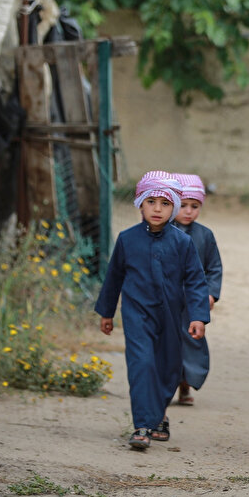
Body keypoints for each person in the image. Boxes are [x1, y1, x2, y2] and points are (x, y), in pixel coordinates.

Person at [95, 170, 210, 450]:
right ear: (140, 204)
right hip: (136, 314)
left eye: (165, 203)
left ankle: (158, 416)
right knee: (141, 364)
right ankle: (142, 425)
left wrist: (198, 316)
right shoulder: (127, 239)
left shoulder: (183, 242)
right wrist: (107, 312)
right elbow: (114, 278)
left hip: (171, 316)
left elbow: (196, 280)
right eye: (151, 202)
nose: (157, 209)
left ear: (173, 207)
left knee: (168, 367)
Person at [171, 173, 222, 407]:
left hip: (192, 302)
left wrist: (211, 293)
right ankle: (166, 385)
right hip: (166, 300)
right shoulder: (162, 232)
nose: (189, 211)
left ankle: (185, 384)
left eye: (194, 206)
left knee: (191, 342)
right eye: (183, 205)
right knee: (166, 342)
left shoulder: (205, 235)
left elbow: (214, 267)